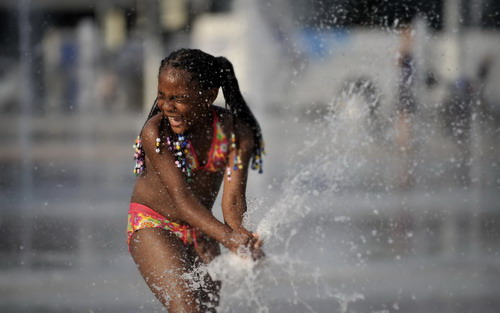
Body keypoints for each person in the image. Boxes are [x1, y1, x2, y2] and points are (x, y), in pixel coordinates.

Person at [127, 49, 265, 312]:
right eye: (162, 96)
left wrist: (243, 239)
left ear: (209, 95)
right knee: (186, 308)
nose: (167, 107)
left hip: (203, 228)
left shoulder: (235, 133)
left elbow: (234, 201)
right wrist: (230, 239)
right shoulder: (156, 133)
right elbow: (182, 200)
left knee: (207, 310)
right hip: (153, 223)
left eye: (178, 98)